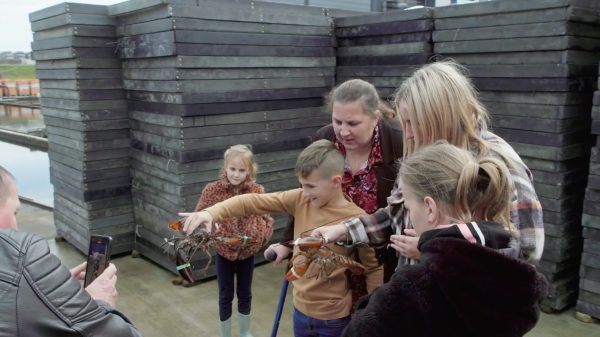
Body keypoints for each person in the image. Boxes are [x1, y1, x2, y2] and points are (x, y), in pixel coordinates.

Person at [312, 60, 544, 265]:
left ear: (440, 117)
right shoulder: (422, 151)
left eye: (414, 123)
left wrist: (433, 250)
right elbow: (396, 215)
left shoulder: (500, 163)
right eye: (405, 124)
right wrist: (342, 230)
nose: (409, 135)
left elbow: (527, 249)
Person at [342, 142, 548, 337]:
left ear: (430, 209)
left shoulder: (412, 290)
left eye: (408, 207)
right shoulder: (513, 275)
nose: (409, 214)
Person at [180, 140, 383, 337]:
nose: (305, 192)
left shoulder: (357, 219)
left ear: (336, 181)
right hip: (299, 313)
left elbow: (373, 268)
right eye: (302, 185)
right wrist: (210, 213)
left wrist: (371, 314)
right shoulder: (300, 199)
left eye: (311, 186)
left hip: (335, 320)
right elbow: (251, 202)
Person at [280, 78, 404, 283]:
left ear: (375, 118)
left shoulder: (398, 143)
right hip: (331, 258)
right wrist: (287, 242)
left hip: (378, 260)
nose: (343, 131)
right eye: (337, 121)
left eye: (353, 123)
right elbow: (307, 192)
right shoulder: (325, 138)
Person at [0, 165, 143, 337]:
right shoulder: (21, 254)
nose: (16, 227)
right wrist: (100, 306)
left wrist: (45, 288)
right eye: (14, 212)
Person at [192, 144, 273, 337]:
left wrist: (260, 237)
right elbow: (200, 214)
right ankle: (225, 333)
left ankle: (245, 331)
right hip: (224, 252)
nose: (236, 174)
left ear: (250, 170)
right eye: (232, 169)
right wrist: (209, 230)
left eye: (241, 170)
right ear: (225, 168)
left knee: (245, 293)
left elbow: (267, 218)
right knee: (225, 295)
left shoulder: (256, 190)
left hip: (247, 252)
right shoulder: (212, 190)